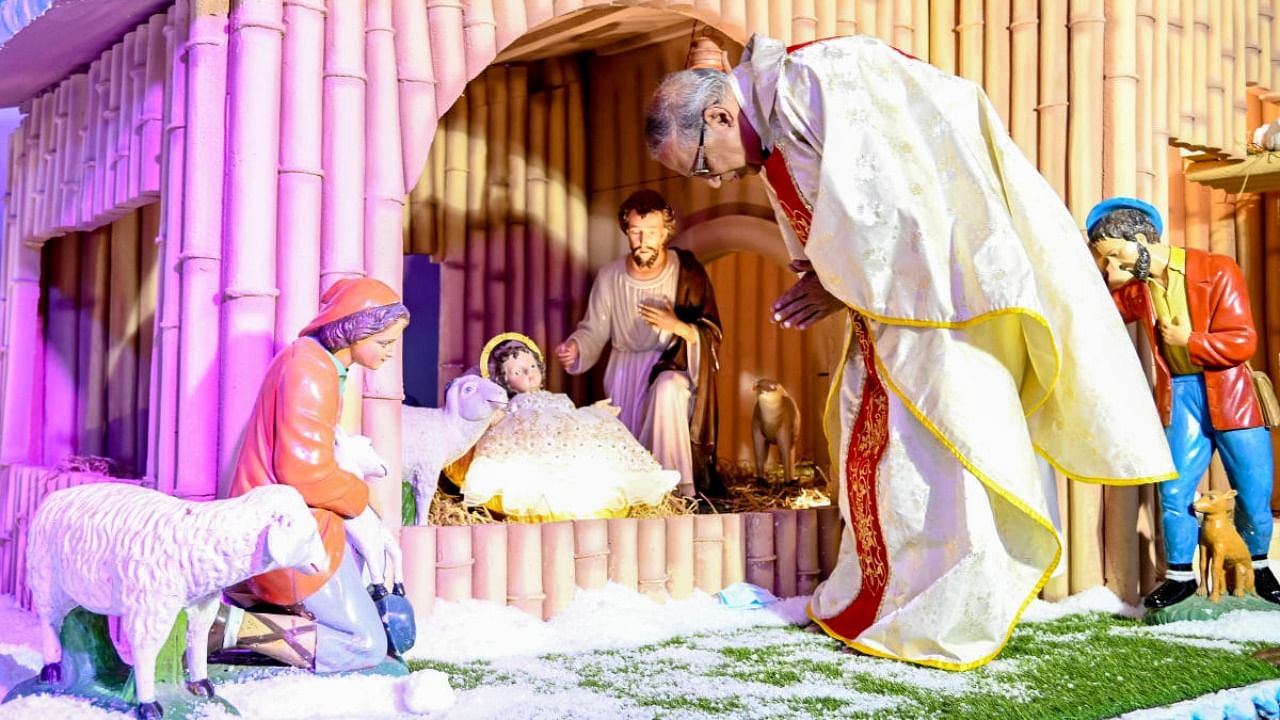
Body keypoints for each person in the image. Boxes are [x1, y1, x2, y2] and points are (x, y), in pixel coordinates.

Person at [644, 34, 1176, 669]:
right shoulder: (773, 129)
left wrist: (833, 280)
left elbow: (908, 194)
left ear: (718, 116)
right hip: (890, 310)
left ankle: (952, 611)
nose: (716, 180)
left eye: (704, 165)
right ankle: (895, 602)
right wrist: (834, 281)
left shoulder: (821, 78)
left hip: (946, 298)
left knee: (946, 448)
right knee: (883, 455)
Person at [1086, 197, 1279, 608]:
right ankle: (1180, 576)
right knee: (1174, 492)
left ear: (1140, 240)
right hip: (1182, 394)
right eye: (1106, 261)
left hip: (1231, 394)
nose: (1113, 268)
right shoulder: (1139, 288)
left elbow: (1244, 340)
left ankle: (1260, 568)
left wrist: (1189, 341)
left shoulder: (1216, 269)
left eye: (1116, 256)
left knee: (1253, 488)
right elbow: (1101, 313)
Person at [219, 278, 409, 672]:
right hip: (290, 533)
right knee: (365, 645)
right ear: (356, 330)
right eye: (385, 343)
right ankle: (226, 630)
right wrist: (358, 495)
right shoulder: (310, 370)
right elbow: (303, 472)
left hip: (304, 521)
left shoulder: (318, 362)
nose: (390, 353)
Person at [555, 189, 723, 498]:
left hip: (672, 365)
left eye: (651, 232)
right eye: (636, 232)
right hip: (625, 370)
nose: (643, 240)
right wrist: (577, 347)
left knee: (668, 389)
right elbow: (594, 329)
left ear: (665, 233)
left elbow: (711, 330)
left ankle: (675, 489)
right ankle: (639, 497)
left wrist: (678, 327)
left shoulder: (686, 272)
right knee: (628, 453)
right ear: (627, 232)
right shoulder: (610, 276)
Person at [462, 333, 679, 521]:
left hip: (568, 440)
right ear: (506, 382)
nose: (529, 373)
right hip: (535, 443)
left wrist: (596, 411)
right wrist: (491, 416)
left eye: (532, 366)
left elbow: (575, 417)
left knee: (594, 434)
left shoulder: (558, 399)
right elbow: (496, 419)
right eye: (518, 372)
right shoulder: (516, 404)